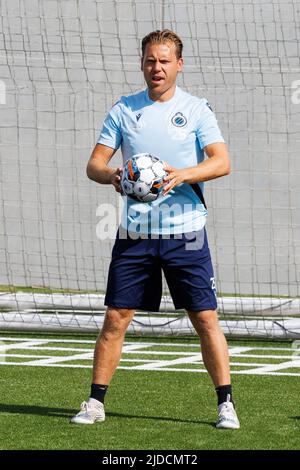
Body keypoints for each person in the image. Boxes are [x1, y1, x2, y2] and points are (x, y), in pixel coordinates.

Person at [71, 29, 240, 429]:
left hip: (187, 233)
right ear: (142, 63)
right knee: (116, 318)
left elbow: (221, 161)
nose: (157, 67)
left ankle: (226, 404)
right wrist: (116, 176)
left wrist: (183, 175)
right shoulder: (124, 110)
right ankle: (95, 403)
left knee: (204, 318)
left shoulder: (197, 109)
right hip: (135, 234)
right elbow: (94, 165)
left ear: (178, 64)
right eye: (150, 60)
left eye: (164, 61)